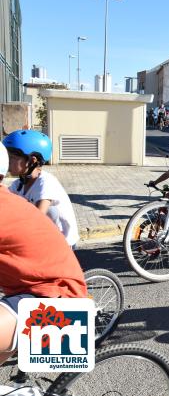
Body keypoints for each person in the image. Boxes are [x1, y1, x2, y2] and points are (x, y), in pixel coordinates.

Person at [0, 142, 87, 368]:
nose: (11, 162)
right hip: (28, 277)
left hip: (55, 291)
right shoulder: (16, 187)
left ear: (32, 161)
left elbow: (38, 213)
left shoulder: (45, 182)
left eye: (15, 156)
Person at [3, 130, 79, 248]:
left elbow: (37, 219)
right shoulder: (17, 184)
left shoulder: (46, 183)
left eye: (11, 158)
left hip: (61, 244)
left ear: (32, 161)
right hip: (43, 237)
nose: (7, 162)